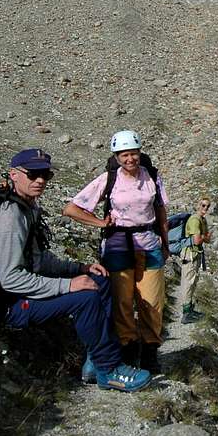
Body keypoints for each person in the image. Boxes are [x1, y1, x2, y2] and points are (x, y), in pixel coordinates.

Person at [0, 148, 151, 392]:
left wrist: (78, 268)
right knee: (85, 298)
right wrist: (68, 284)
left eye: (45, 175)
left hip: (21, 289)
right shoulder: (9, 218)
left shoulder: (26, 207)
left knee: (99, 279)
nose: (40, 180)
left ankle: (95, 358)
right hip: (9, 303)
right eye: (32, 174)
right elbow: (10, 279)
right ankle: (109, 370)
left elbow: (38, 260)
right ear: (14, 175)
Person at [63, 130, 169, 373]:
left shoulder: (152, 175)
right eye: (124, 155)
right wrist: (100, 223)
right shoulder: (108, 179)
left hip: (149, 245)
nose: (129, 159)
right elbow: (72, 209)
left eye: (133, 153)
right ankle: (129, 352)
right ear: (117, 156)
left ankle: (150, 353)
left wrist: (165, 244)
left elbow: (161, 211)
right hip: (118, 246)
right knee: (122, 303)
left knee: (152, 302)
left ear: (140, 153)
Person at [179, 197, 212, 324]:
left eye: (207, 206)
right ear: (198, 205)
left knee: (193, 282)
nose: (205, 208)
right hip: (190, 255)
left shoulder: (203, 220)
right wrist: (204, 237)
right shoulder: (194, 220)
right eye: (203, 205)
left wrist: (203, 237)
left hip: (196, 254)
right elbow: (198, 240)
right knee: (188, 282)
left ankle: (189, 309)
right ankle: (186, 313)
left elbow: (206, 239)